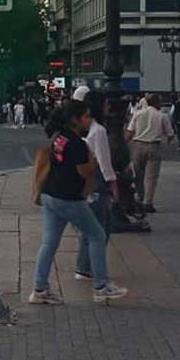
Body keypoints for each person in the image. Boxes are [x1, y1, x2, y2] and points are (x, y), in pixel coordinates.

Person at [29, 100, 129, 305]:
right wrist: (92, 159)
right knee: (97, 234)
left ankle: (39, 289)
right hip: (68, 198)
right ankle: (101, 286)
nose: (89, 120)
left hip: (50, 194)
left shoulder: (60, 138)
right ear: (76, 119)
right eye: (85, 116)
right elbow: (85, 171)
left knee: (49, 242)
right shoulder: (76, 143)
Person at [76, 90, 118, 282]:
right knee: (97, 227)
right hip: (98, 181)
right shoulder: (98, 131)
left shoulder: (85, 128)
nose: (109, 107)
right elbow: (104, 161)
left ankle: (87, 265)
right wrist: (113, 184)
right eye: (106, 103)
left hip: (86, 180)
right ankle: (87, 267)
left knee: (97, 225)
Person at [127, 94, 173, 212]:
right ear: (157, 103)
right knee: (151, 177)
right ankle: (148, 202)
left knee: (138, 174)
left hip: (138, 145)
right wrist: (166, 140)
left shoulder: (137, 114)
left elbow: (130, 132)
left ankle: (139, 197)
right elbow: (170, 134)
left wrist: (125, 143)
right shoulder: (161, 116)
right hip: (154, 146)